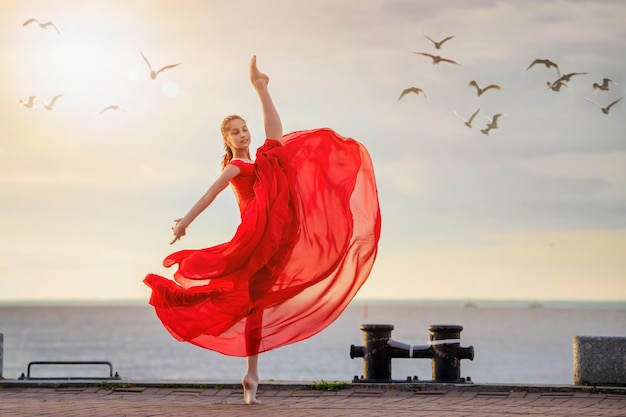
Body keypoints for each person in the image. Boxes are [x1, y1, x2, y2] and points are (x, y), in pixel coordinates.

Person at [144, 55, 381, 405]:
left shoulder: (262, 162)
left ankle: (251, 374)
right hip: (254, 240)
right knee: (242, 299)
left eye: (244, 129)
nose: (242, 134)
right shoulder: (238, 166)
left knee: (254, 304)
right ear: (227, 139)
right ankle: (246, 370)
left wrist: (261, 89)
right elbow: (210, 193)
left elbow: (273, 135)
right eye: (235, 132)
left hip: (275, 237)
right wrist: (185, 222)